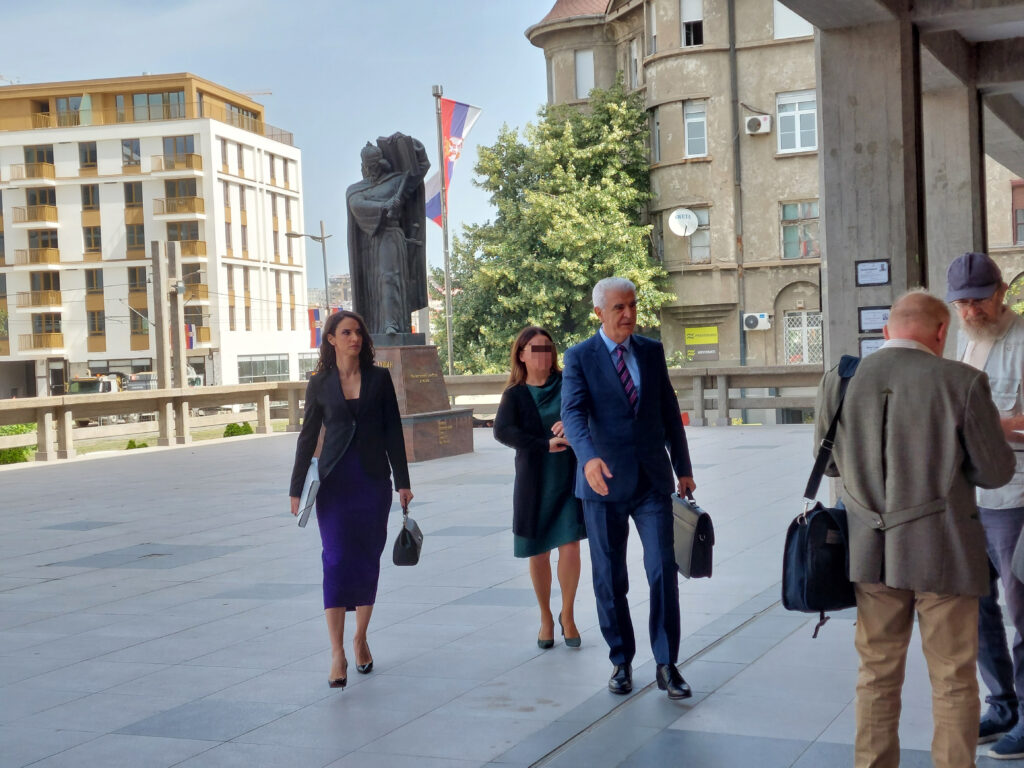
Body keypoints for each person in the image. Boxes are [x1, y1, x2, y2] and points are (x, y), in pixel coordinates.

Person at [814, 289, 1015, 768]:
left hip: (869, 554)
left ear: (887, 331)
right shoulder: (962, 382)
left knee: (876, 676)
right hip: (943, 555)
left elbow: (830, 468)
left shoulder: (839, 380)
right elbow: (995, 472)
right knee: (952, 681)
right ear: (941, 332)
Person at [561, 276, 696, 700]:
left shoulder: (652, 351)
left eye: (632, 305)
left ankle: (666, 663)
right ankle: (621, 661)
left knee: (662, 572)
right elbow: (574, 413)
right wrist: (588, 458)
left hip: (652, 481)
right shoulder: (580, 357)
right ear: (599, 312)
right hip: (602, 484)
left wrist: (683, 467)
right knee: (610, 577)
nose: (628, 314)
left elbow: (669, 411)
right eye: (619, 308)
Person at [289, 310, 413, 689]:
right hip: (334, 483)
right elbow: (307, 437)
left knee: (366, 560)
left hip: (373, 482)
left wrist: (403, 482)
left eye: (358, 332)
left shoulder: (379, 378)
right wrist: (296, 488)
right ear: (331, 339)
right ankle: (337, 652)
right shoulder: (320, 383)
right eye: (346, 332)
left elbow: (393, 430)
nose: (354, 338)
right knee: (336, 559)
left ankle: (360, 638)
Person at [945, 251, 1024, 760]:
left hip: (1016, 496)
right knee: (976, 607)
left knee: (1023, 610)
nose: (970, 313)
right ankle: (1002, 704)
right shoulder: (966, 342)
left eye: (978, 301)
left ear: (1000, 294)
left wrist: (985, 425)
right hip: (969, 496)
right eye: (961, 304)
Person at [494, 327, 587, 650]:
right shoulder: (516, 394)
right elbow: (502, 432)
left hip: (569, 477)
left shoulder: (568, 384)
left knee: (571, 546)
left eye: (548, 348)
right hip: (535, 482)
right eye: (535, 349)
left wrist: (573, 421)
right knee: (538, 551)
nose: (543, 355)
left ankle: (569, 614)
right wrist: (543, 444)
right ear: (521, 354)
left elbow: (590, 410)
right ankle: (546, 617)